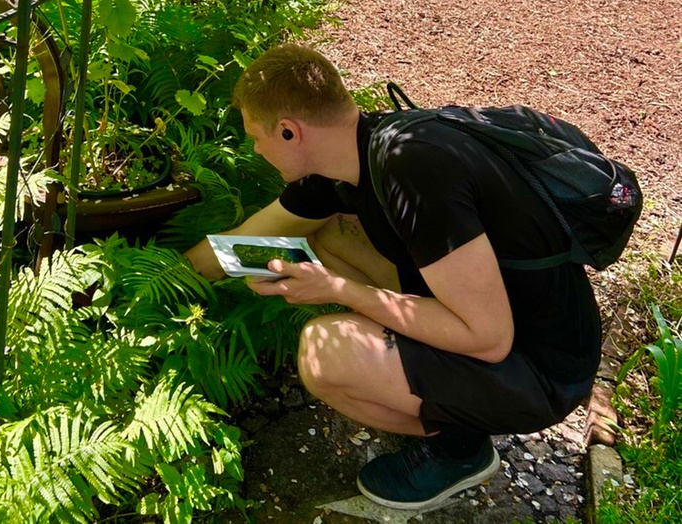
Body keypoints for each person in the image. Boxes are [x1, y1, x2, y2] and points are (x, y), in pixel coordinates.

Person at [185, 43, 601, 510]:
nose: (255, 149)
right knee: (324, 235)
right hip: (499, 310)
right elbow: (244, 241)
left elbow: (489, 339)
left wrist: (337, 290)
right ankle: (441, 401)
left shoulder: (413, 174)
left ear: (288, 132)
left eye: (255, 138)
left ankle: (459, 450)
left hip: (540, 364)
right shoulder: (359, 148)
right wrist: (165, 277)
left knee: (325, 355)